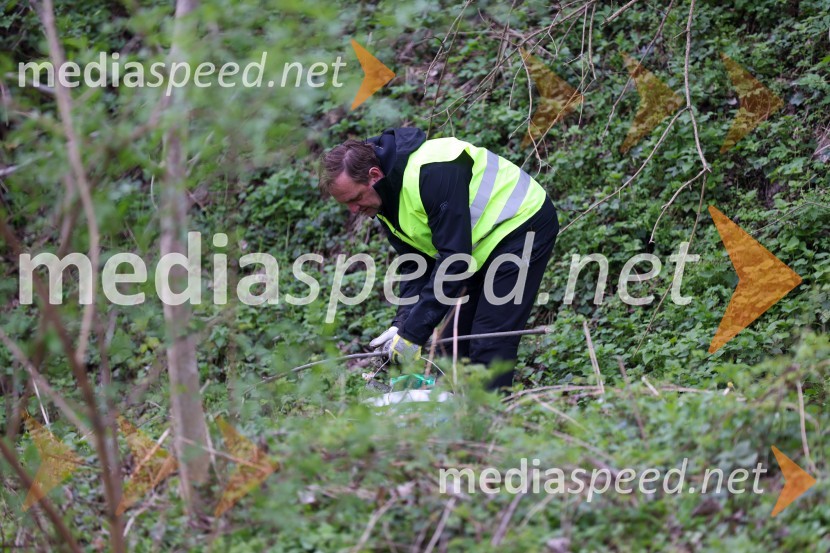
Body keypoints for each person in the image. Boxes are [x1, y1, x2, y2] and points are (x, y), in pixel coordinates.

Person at [319, 127, 558, 389]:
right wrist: (403, 326)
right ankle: (453, 417)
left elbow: (454, 260)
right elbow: (415, 264)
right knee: (450, 348)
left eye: (355, 199)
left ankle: (492, 422)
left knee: (489, 340)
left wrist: (414, 334)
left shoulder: (431, 172)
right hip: (477, 248)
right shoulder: (384, 196)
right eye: (347, 205)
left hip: (521, 225)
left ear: (374, 176)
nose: (354, 210)